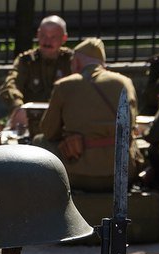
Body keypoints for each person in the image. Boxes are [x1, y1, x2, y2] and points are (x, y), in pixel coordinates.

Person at [35, 37, 143, 191]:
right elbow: (131, 124)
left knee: (39, 141)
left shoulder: (65, 85)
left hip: (78, 173)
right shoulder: (124, 82)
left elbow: (49, 131)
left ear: (77, 62)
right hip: (123, 173)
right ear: (102, 63)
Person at [0, 15, 72, 130]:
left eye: (53, 37)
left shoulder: (71, 61)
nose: (47, 41)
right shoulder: (26, 61)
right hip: (29, 122)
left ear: (64, 38)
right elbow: (10, 85)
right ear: (37, 34)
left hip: (64, 123)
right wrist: (18, 107)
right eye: (43, 36)